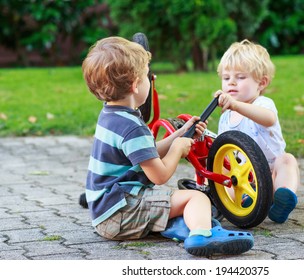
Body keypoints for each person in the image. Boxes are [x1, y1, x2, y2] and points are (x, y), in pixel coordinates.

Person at [81, 36, 254, 256]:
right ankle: (202, 235)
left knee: (175, 202)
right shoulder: (132, 127)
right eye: (146, 77)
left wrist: (181, 133)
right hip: (121, 213)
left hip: (105, 212)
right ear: (135, 85)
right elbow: (159, 176)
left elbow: (145, 153)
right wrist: (177, 150)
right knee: (196, 197)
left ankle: (179, 226)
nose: (149, 81)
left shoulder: (111, 116)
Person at [214, 39, 300, 223]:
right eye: (226, 78)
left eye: (240, 77)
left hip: (271, 173)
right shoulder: (225, 118)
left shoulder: (262, 103)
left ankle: (281, 198)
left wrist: (236, 105)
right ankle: (221, 205)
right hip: (243, 177)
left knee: (287, 160)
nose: (232, 83)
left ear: (261, 83)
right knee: (220, 178)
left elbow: (269, 119)